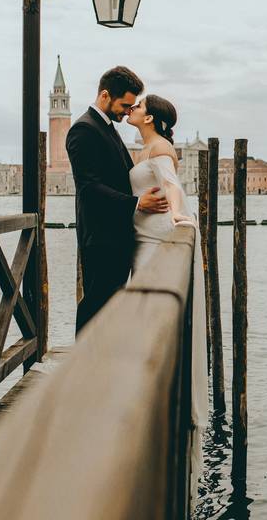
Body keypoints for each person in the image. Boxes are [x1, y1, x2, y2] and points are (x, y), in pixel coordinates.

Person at [125, 92, 208, 502]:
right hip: (139, 237)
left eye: (137, 107)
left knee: (145, 305)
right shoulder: (140, 147)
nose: (132, 110)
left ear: (151, 118)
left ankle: (150, 391)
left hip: (155, 237)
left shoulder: (161, 148)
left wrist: (177, 215)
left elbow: (172, 185)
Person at [66, 66, 169, 334]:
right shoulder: (83, 130)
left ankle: (99, 366)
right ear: (104, 96)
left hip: (114, 236)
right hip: (101, 237)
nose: (128, 110)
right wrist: (135, 204)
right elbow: (88, 188)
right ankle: (83, 367)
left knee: (110, 308)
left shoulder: (107, 127)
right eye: (125, 104)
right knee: (96, 306)